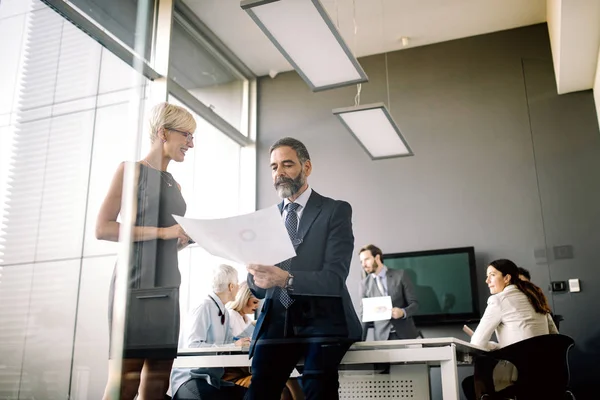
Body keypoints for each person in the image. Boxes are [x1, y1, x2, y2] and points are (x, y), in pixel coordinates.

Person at [244, 137, 362, 400]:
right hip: (277, 321)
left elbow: (334, 279)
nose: (280, 173)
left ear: (306, 167)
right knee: (258, 391)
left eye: (287, 164)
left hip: (322, 319)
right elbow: (258, 290)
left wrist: (287, 279)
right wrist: (257, 279)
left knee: (317, 386)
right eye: (274, 167)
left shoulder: (335, 211)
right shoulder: (266, 220)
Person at [96, 102, 196, 400]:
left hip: (167, 284)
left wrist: (180, 239)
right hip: (134, 283)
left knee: (158, 382)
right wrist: (164, 232)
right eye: (187, 135)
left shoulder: (174, 184)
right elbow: (104, 228)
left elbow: (166, 233)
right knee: (124, 383)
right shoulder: (131, 171)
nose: (191, 143)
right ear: (163, 133)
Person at [462, 259, 558, 400]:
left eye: (492, 275)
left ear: (507, 278)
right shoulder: (536, 298)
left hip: (517, 377)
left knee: (479, 366)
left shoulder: (498, 300)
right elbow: (555, 338)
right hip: (546, 375)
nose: (487, 280)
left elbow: (477, 343)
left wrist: (495, 346)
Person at [170, 264, 250, 400]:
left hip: (212, 380)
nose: (238, 287)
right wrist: (232, 346)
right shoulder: (204, 307)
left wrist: (239, 343)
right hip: (190, 379)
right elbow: (193, 346)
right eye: (237, 283)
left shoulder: (223, 311)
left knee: (252, 395)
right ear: (231, 286)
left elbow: (228, 343)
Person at [224, 283, 304, 400]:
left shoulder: (247, 320)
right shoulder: (232, 316)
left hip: (246, 367)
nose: (257, 306)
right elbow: (228, 341)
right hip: (237, 371)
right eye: (254, 302)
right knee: (285, 380)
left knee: (288, 379)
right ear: (243, 299)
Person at [359, 244, 419, 340]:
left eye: (366, 259)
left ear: (377, 257)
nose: (363, 265)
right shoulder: (364, 285)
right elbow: (364, 316)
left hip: (406, 335)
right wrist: (359, 342)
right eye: (361, 261)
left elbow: (415, 304)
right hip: (382, 339)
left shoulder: (400, 275)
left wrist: (403, 312)